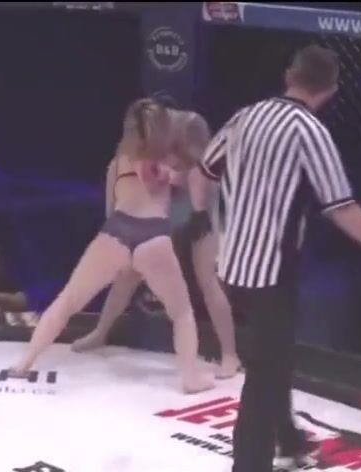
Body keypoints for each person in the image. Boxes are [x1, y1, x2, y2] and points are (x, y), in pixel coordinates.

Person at [188, 44, 361, 471]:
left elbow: (202, 173)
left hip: (231, 268)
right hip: (271, 275)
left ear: (289, 76)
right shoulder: (309, 131)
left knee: (272, 358)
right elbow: (343, 209)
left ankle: (289, 438)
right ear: (330, 89)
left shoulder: (245, 117)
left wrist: (205, 219)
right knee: (265, 374)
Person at [8, 98, 214, 394]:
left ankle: (24, 363)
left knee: (66, 301)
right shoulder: (167, 162)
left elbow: (112, 203)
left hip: (116, 232)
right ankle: (190, 378)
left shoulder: (119, 161)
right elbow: (192, 181)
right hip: (153, 238)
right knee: (182, 314)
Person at [71, 108, 242, 379]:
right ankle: (101, 332)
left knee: (207, 280)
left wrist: (176, 179)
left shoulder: (188, 125)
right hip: (157, 210)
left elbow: (205, 171)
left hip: (197, 207)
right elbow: (115, 198)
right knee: (127, 272)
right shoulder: (128, 152)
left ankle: (230, 354)